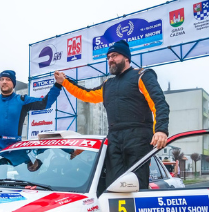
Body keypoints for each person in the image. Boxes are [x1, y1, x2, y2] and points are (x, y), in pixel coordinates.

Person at [56, 40, 170, 191]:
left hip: (139, 137)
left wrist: (161, 130)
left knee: (137, 184)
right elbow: (86, 94)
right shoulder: (107, 84)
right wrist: (65, 82)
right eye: (108, 57)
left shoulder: (142, 75)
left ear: (126, 58)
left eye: (114, 55)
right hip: (114, 138)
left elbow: (159, 103)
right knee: (112, 185)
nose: (110, 59)